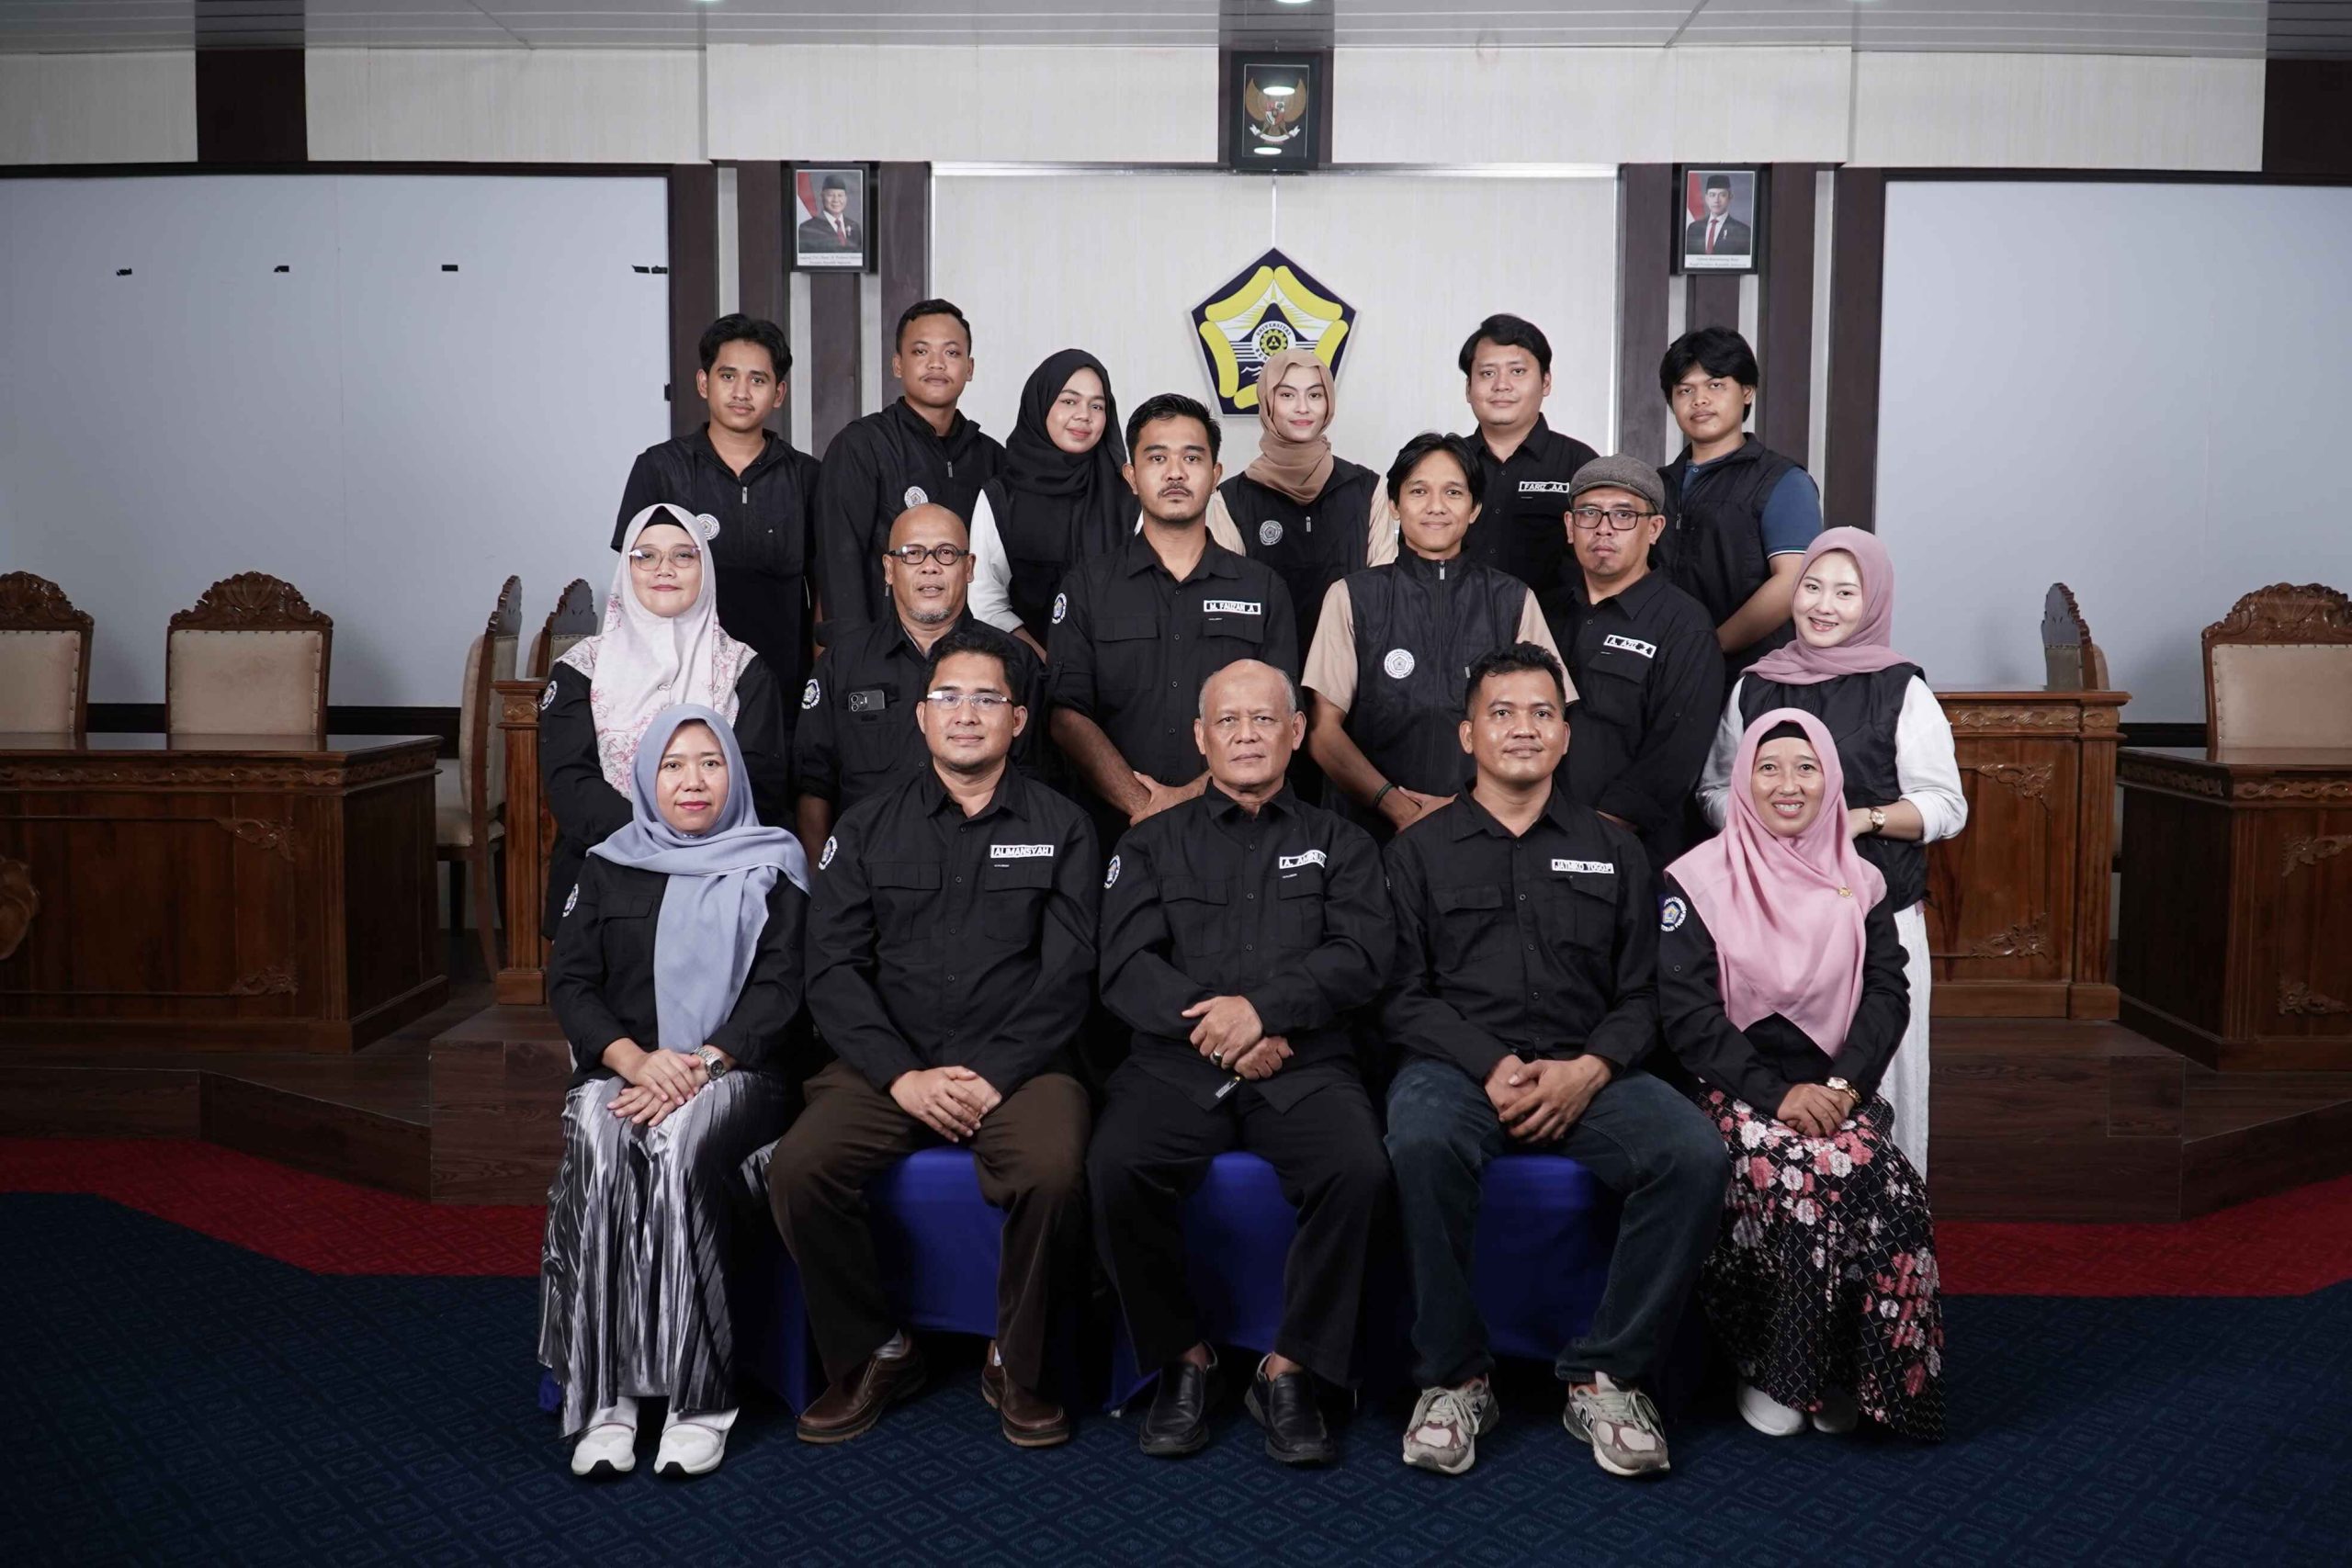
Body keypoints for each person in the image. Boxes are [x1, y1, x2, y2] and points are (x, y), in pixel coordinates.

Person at [1381, 643, 1725, 1480]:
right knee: (1419, 1141)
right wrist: (1487, 1062)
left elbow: (1645, 994)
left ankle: (1608, 1375)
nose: (1523, 728)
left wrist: (1590, 1069)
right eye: (1501, 712)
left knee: (1693, 1154)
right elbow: (1399, 996)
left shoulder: (1616, 850)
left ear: (1566, 735)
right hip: (1457, 1070)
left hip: (1589, 1069)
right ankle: (1454, 1378)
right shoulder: (1417, 851)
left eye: (1543, 713)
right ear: (1467, 734)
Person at [764, 624, 1098, 1449]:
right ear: (921, 716)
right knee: (800, 1167)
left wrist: (993, 1073)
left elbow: (1071, 974)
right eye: (948, 696)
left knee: (1054, 1169)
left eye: (987, 698)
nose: (966, 713)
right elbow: (832, 971)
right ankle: (877, 1351)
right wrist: (901, 1076)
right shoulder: (866, 828)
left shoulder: (1065, 825)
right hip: (888, 1064)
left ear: (1018, 719)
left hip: (1020, 1068)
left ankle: (1016, 1361)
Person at [1090, 660, 1395, 1466]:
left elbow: (1362, 956)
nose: (1247, 734)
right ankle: (1182, 1357)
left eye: (1265, 719)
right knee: (1115, 1165)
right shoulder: (1149, 842)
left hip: (1304, 1062)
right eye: (1229, 720)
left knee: (1360, 1169)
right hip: (1176, 1064)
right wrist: (1226, 1030)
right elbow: (1126, 968)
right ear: (1201, 736)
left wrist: (1265, 1012)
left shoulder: (1342, 842)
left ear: (1296, 732)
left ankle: (1291, 1368)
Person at [540, 705, 810, 1481]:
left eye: (711, 763)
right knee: (599, 1140)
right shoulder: (609, 863)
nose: (694, 781)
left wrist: (703, 1065)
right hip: (626, 1072)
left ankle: (699, 1400)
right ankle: (607, 1400)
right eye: (674, 765)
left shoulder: (774, 861)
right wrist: (633, 1059)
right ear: (646, 777)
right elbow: (572, 981)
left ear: (735, 774)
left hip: (737, 1073)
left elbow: (783, 989)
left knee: (681, 1143)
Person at [1662, 708, 1943, 1442]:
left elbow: (1888, 992)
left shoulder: (1863, 880)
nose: (1788, 784)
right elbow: (1689, 1017)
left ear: (1831, 781)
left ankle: (1860, 1373)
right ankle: (1778, 1369)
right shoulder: (1695, 880)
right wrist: (1777, 1094)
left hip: (1836, 1090)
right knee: (1797, 1175)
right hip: (1735, 1087)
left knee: (1891, 1185)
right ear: (1743, 780)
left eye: (1806, 767)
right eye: (1769, 768)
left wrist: (1845, 1087)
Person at [1697, 528, 1963, 1174]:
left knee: (1878, 1077)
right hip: (1768, 918)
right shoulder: (1755, 685)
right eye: (1811, 586)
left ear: (1872, 600)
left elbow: (1945, 806)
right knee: (1779, 1081)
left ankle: (1885, 1219)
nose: (1823, 605)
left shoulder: (1901, 689)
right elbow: (1713, 789)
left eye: (1846, 592)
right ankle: (1778, 1222)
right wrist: (1767, 822)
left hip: (1875, 917)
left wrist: (1859, 820)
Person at [1048, 391, 1299, 835]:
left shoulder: (1263, 589)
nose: (1176, 473)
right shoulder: (1087, 587)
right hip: (1115, 831)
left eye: (1192, 457)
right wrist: (1141, 804)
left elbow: (1280, 718)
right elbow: (1067, 716)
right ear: (1131, 476)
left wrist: (1185, 800)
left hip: (1237, 832)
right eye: (1157, 457)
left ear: (1216, 475)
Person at [542, 503, 791, 940]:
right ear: (626, 569)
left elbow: (759, 781)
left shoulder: (744, 668)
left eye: (683, 555)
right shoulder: (581, 668)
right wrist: (653, 844)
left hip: (720, 870)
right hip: (606, 866)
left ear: (705, 568)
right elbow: (570, 783)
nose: (665, 569)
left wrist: (693, 852)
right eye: (646, 556)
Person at [1304, 432, 1562, 840]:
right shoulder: (1352, 596)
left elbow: (1546, 724)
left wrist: (1466, 809)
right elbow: (1321, 732)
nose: (1436, 506)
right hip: (1366, 833)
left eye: (1453, 492)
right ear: (1394, 504)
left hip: (1485, 831)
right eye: (1419, 491)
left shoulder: (1513, 599)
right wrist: (1397, 807)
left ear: (1475, 508)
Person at [794, 502, 1046, 867]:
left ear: (969, 567)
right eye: (912, 553)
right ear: (888, 569)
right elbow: (813, 786)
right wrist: (822, 882)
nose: (930, 566)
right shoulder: (842, 664)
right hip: (867, 877)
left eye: (946, 553)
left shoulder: (1015, 660)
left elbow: (1037, 784)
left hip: (985, 875)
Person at [612, 315, 822, 698]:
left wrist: (822, 679)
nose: (741, 392)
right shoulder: (660, 468)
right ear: (703, 383)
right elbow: (632, 583)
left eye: (758, 380)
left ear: (778, 393)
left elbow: (824, 588)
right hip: (680, 681)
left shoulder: (807, 476)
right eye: (728, 376)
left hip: (782, 680)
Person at [1540, 455, 1724, 869]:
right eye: (1589, 513)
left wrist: (1595, 834)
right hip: (1534, 840)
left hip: (1629, 853)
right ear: (1570, 526)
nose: (1604, 528)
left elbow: (1675, 756)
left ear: (1654, 529)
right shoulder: (1543, 614)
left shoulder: (1684, 626)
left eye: (1624, 515)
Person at [813, 299, 1004, 640]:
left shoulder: (991, 457)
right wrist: (856, 657)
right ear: (898, 365)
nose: (936, 363)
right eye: (920, 351)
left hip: (971, 652)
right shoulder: (862, 446)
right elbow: (840, 563)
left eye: (951, 353)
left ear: (970, 367)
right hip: (885, 648)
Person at [1656, 327, 1822, 675]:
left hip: (1752, 674)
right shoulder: (1657, 485)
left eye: (1715, 385)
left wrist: (1711, 646)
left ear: (1747, 391)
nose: (1699, 400)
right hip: (1667, 671)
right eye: (1685, 390)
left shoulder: (1783, 481)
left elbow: (1791, 581)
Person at [1206, 348, 1388, 661]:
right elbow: (1228, 603)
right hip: (1263, 671)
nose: (1303, 407)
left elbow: (1383, 594)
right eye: (1287, 395)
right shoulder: (1231, 499)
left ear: (1329, 403)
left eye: (1315, 395)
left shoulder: (1368, 489)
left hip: (1353, 667)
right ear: (1268, 403)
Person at [967, 348, 1136, 658]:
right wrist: (1045, 664)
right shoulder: (1000, 496)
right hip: (1025, 668)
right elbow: (986, 601)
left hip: (1119, 671)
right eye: (1069, 401)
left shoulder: (1129, 495)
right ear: (1041, 404)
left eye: (1096, 405)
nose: (1084, 415)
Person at [1457, 314, 1600, 593]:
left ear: (1546, 382)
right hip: (1454, 619)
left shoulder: (1581, 465)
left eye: (1517, 371)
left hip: (1552, 620)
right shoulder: (1446, 463)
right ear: (1468, 388)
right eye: (1487, 373)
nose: (1501, 385)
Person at [1682, 175, 1751, 258]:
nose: (1716, 200)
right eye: (1712, 195)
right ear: (1706, 198)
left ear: (1730, 197)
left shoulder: (1743, 231)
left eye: (1722, 195)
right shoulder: (1693, 228)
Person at [797, 175, 863, 254]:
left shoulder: (854, 227)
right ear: (822, 197)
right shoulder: (808, 228)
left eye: (840, 195)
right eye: (830, 195)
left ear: (846, 198)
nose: (836, 200)